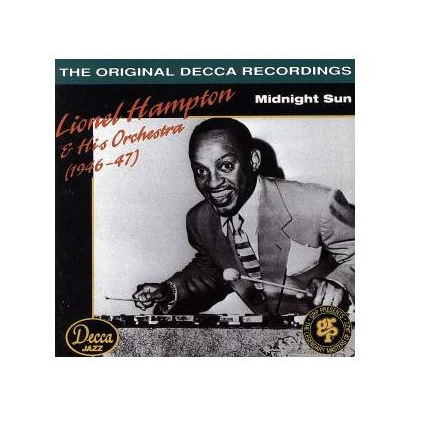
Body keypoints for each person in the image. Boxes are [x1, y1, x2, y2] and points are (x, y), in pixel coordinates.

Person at [132, 118, 354, 315]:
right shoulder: (200, 220)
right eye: (201, 171)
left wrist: (339, 285)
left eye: (226, 166)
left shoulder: (316, 203)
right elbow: (213, 271)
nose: (212, 183)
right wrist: (170, 291)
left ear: (254, 160)